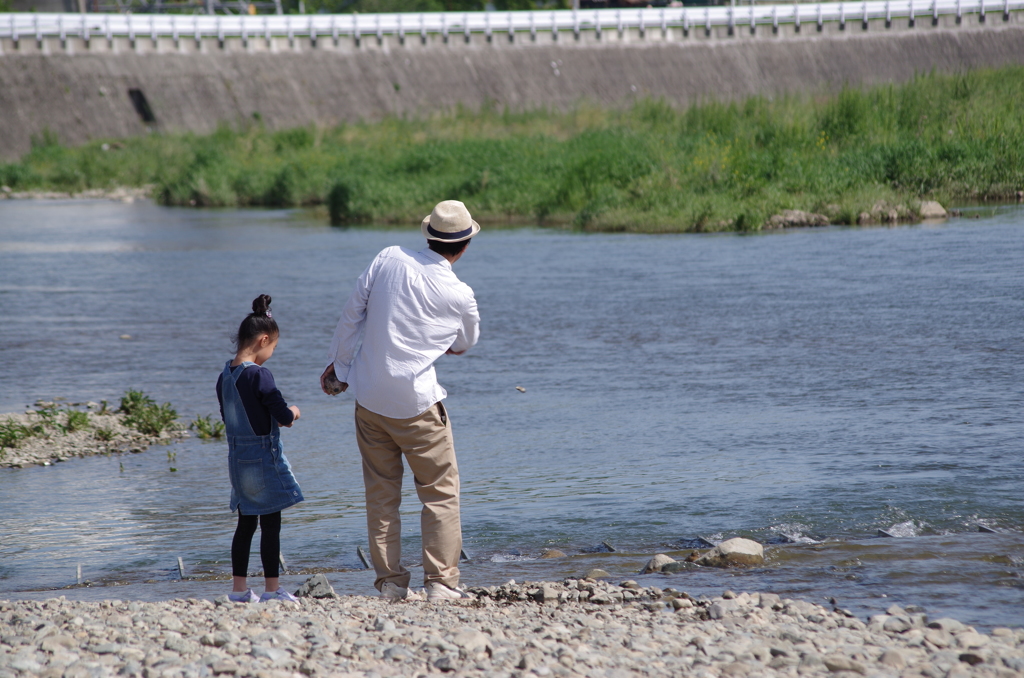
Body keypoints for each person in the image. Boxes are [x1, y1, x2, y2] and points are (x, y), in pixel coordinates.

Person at [322, 200, 481, 602]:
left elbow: (351, 315)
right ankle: (441, 584)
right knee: (439, 493)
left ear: (427, 235)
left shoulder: (389, 257)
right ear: (464, 247)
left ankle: (391, 584)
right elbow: (464, 344)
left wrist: (339, 369)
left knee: (381, 495)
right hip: (417, 404)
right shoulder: (460, 294)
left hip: (369, 398)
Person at [217, 294, 304, 603]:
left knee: (245, 524)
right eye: (273, 348)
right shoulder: (259, 374)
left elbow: (230, 416)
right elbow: (281, 416)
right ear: (263, 339)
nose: (272, 354)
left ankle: (239, 591)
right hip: (262, 459)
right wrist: (293, 411)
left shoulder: (225, 375)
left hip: (236, 460)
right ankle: (271, 590)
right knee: (271, 524)